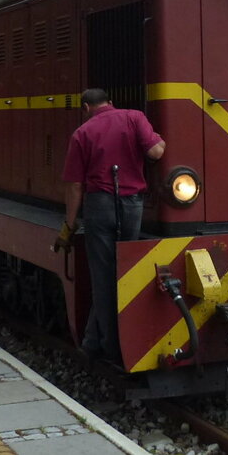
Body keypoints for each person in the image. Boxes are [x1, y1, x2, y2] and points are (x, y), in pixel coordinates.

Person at [55, 88, 165, 363]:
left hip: (99, 206)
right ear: (111, 102)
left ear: (85, 107)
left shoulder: (82, 133)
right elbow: (155, 151)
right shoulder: (134, 117)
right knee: (126, 272)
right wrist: (160, 140)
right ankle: (95, 341)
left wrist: (69, 226)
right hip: (133, 205)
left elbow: (75, 186)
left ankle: (109, 347)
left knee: (103, 278)